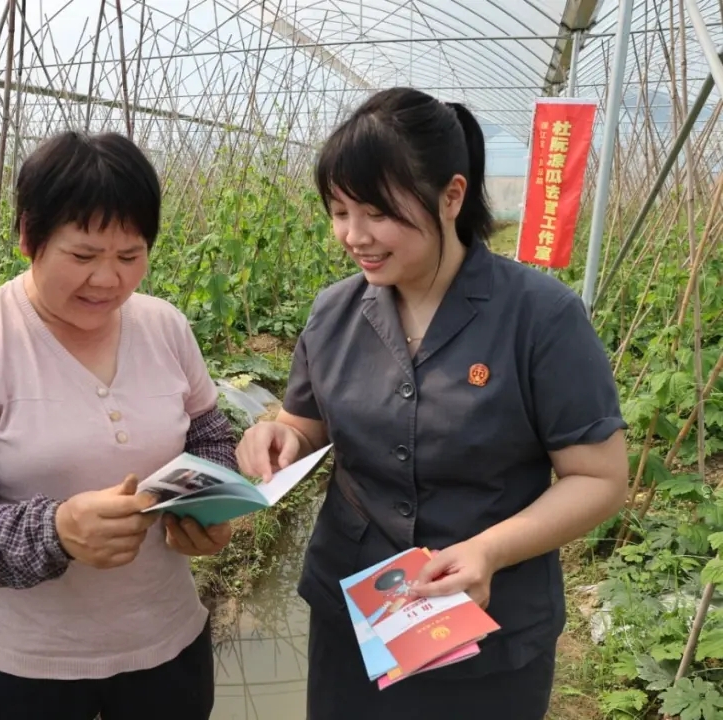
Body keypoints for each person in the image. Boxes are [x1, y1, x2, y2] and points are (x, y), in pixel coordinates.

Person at [235, 87, 629, 719]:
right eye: (339, 211)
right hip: (357, 616)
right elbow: (301, 424)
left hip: (488, 626)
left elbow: (599, 478)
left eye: (376, 212)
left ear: (451, 196)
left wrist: (488, 551)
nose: (354, 235)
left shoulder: (540, 317)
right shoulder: (334, 313)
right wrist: (278, 436)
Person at [0, 130, 238, 720]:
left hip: (169, 642)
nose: (108, 279)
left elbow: (208, 436)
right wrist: (55, 532)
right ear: (28, 238)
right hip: (34, 670)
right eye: (83, 256)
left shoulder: (164, 327)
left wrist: (209, 511)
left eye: (130, 256)